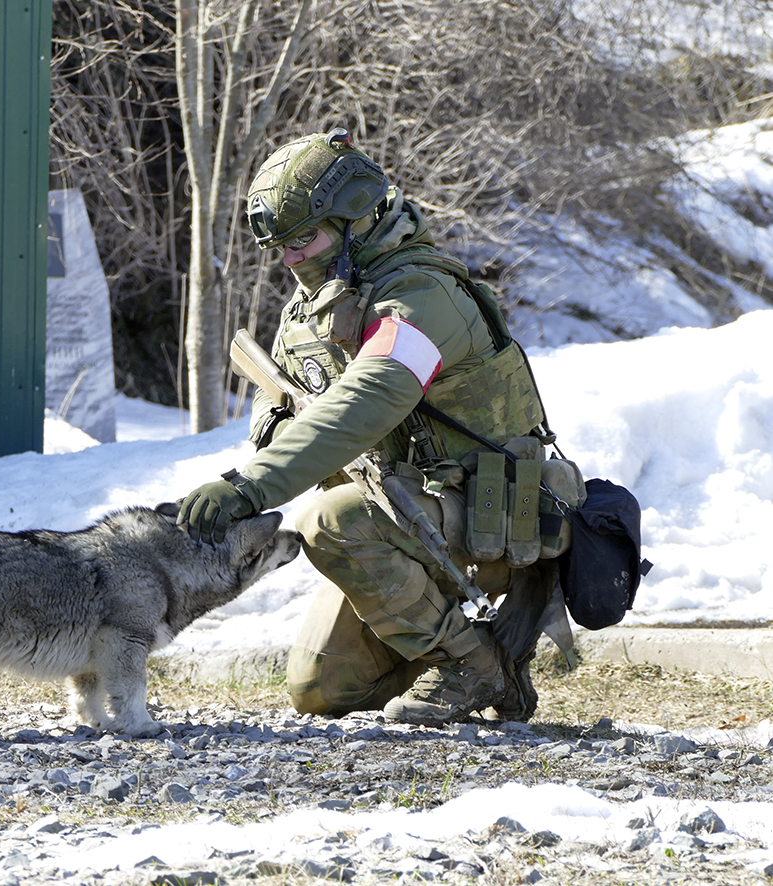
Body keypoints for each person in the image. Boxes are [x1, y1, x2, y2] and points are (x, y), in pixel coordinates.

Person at [176, 129, 582, 726]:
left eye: (303, 239)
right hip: (401, 520)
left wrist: (250, 486)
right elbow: (282, 413)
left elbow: (370, 396)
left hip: (492, 517)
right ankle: (478, 652)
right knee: (322, 690)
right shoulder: (312, 312)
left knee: (328, 520)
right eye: (280, 246)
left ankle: (472, 665)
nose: (290, 259)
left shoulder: (421, 295)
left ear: (355, 220)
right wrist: (280, 426)